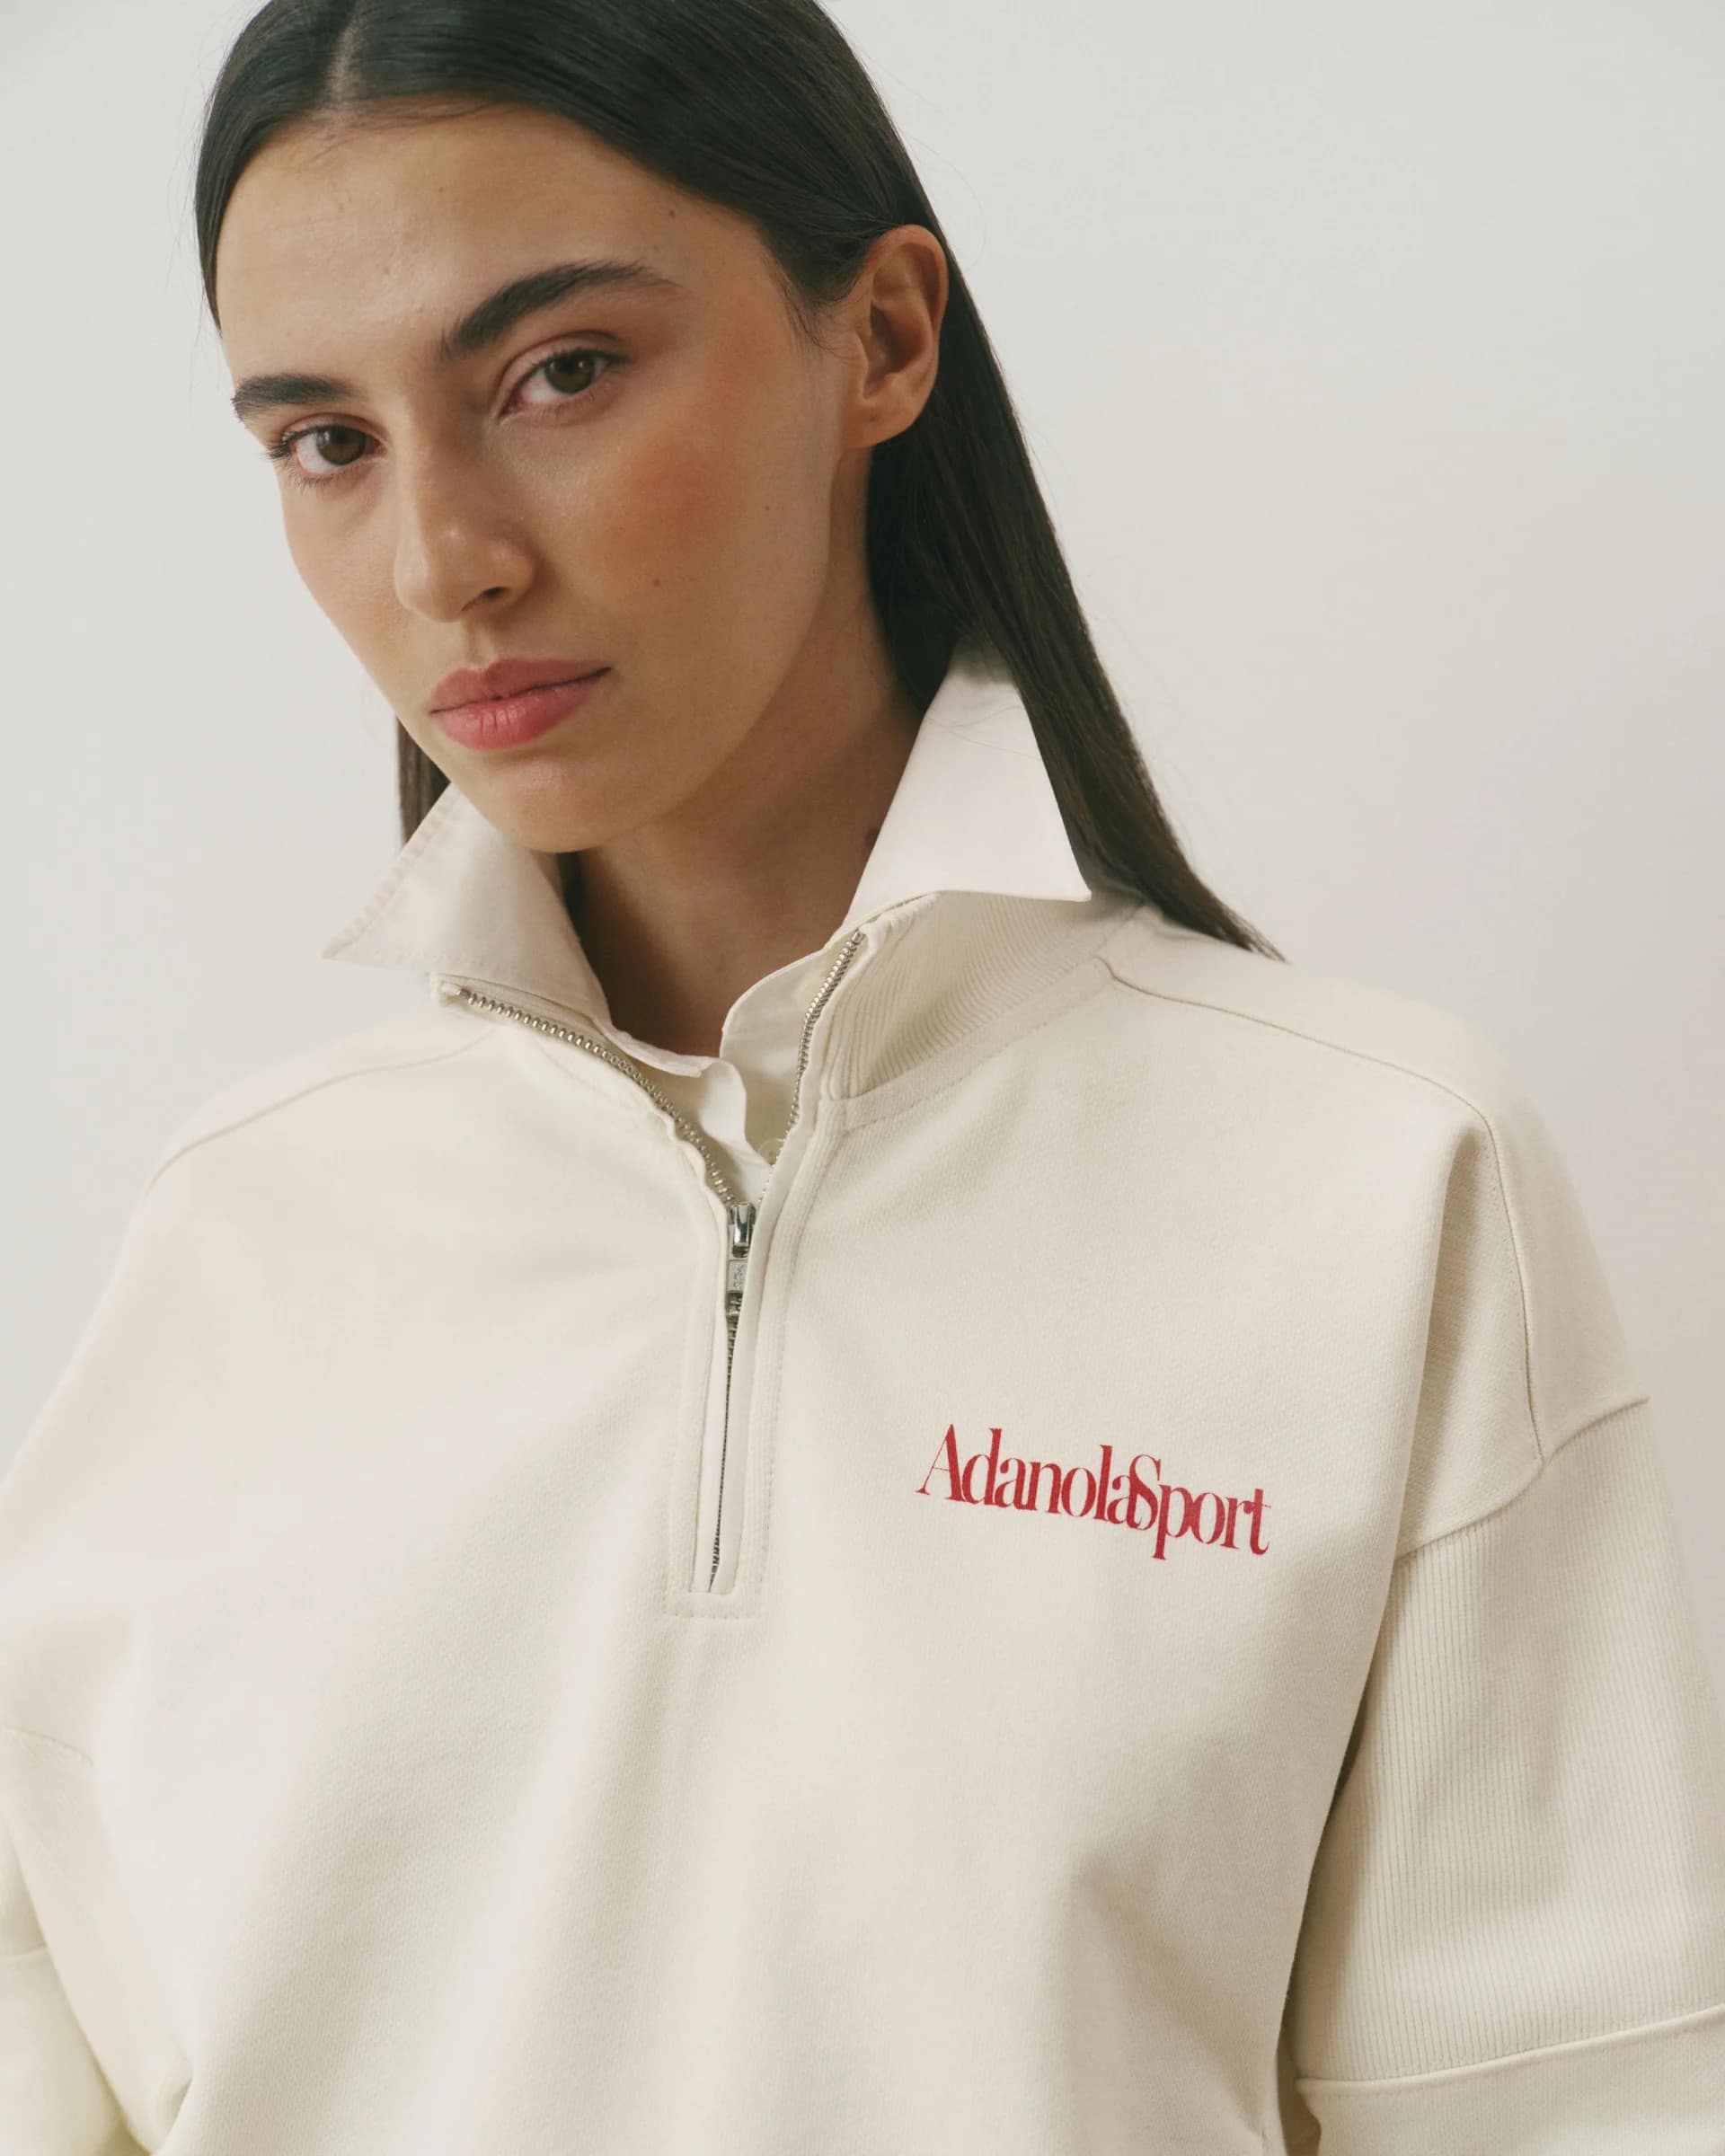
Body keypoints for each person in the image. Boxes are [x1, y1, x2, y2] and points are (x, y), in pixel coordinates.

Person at [4, 0, 1722, 2149]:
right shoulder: (236, 1245)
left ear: (885, 336)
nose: (445, 557)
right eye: (328, 442)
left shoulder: (1374, 1191)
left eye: (561, 372)